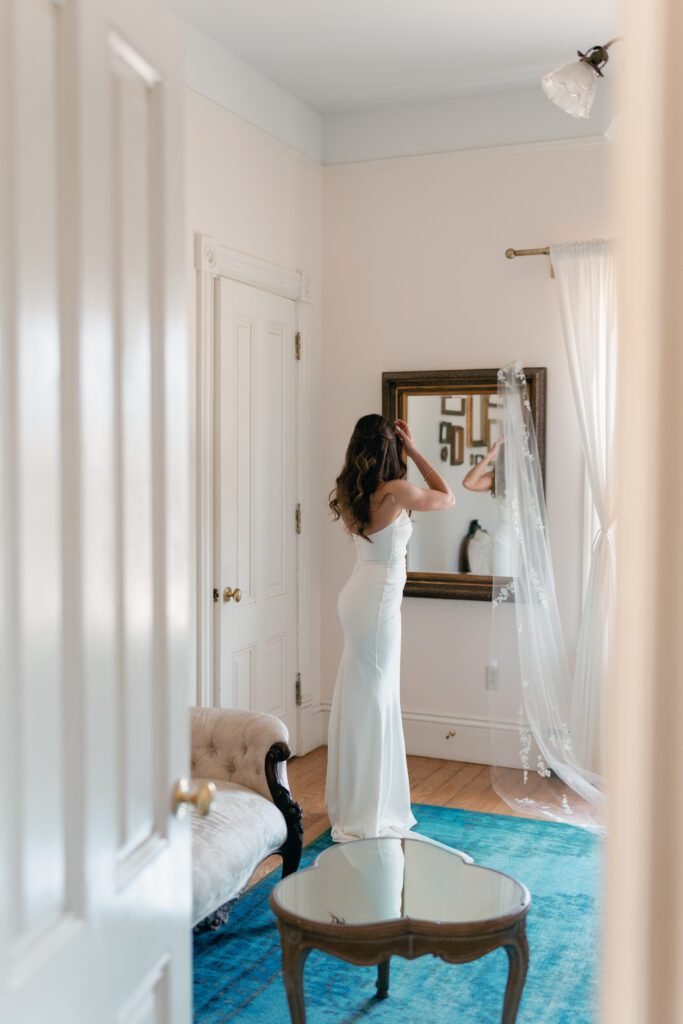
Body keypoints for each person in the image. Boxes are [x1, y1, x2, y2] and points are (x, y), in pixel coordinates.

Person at [325, 413, 455, 842]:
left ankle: (357, 800)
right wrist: (415, 449)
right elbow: (447, 497)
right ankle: (368, 809)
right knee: (375, 702)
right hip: (378, 604)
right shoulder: (395, 491)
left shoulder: (351, 491)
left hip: (358, 597)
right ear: (390, 446)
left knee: (362, 698)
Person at [462, 437, 513, 576]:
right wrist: (490, 455)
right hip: (504, 544)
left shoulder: (532, 478)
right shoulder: (496, 478)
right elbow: (468, 483)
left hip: (528, 545)